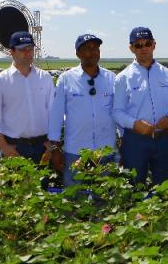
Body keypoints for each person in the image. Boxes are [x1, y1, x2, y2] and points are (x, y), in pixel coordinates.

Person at [112, 27, 168, 186]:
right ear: (131, 48)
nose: (143, 48)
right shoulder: (123, 78)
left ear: (154, 45)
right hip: (135, 141)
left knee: (167, 188)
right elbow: (117, 112)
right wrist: (135, 124)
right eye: (138, 45)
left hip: (164, 138)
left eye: (147, 43)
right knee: (133, 186)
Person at [47, 33, 119, 187]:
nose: (93, 52)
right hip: (75, 152)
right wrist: (54, 149)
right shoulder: (66, 79)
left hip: (105, 152)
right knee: (74, 199)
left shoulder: (112, 78)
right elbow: (56, 116)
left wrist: (123, 144)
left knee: (106, 199)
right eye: (87, 48)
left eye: (96, 48)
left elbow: (118, 113)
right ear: (78, 53)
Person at [0, 31, 56, 162]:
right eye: (23, 50)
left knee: (43, 182)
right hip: (14, 148)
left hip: (42, 147)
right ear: (11, 52)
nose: (28, 53)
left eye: (31, 49)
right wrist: (4, 147)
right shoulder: (0, 80)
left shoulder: (44, 78)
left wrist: (50, 145)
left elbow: (52, 113)